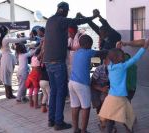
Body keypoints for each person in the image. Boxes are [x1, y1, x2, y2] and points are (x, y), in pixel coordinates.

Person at [43, 2, 99, 130]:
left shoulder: (50, 20)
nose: (68, 14)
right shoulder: (61, 20)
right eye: (67, 11)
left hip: (48, 62)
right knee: (61, 93)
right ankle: (58, 123)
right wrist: (93, 17)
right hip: (58, 62)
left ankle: (51, 120)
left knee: (54, 92)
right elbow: (77, 21)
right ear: (64, 11)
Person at [98, 38, 149, 132]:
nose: (124, 56)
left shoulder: (110, 66)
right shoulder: (122, 67)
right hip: (120, 98)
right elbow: (135, 58)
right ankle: (129, 130)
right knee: (126, 118)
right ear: (117, 58)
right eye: (122, 56)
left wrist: (117, 48)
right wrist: (145, 46)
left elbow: (112, 56)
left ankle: (106, 127)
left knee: (109, 116)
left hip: (111, 97)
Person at [68, 34, 107, 133]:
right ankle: (84, 131)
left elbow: (92, 66)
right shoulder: (90, 52)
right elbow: (102, 53)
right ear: (90, 44)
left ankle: (76, 129)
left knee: (75, 106)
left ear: (80, 44)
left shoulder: (77, 53)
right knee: (86, 107)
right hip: (82, 84)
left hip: (72, 82)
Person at [0, 25, 29, 99]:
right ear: (6, 31)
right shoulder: (5, 39)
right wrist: (28, 37)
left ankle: (9, 94)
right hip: (7, 59)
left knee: (7, 77)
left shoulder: (2, 39)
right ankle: (9, 94)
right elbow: (17, 40)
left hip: (5, 59)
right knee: (7, 77)